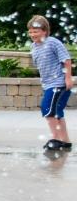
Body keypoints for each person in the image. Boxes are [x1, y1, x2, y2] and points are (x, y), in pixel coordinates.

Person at [28, 15, 73, 151]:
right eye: (30, 32)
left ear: (45, 31)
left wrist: (68, 78)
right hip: (48, 84)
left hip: (58, 83)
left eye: (36, 31)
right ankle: (65, 140)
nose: (32, 34)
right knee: (57, 111)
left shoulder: (53, 42)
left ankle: (56, 138)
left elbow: (66, 60)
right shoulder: (33, 46)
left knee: (47, 108)